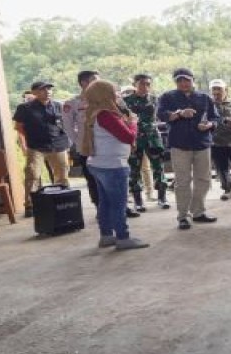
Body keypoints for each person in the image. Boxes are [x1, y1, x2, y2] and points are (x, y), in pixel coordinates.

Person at [80, 79, 148, 250]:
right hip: (112, 165)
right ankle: (123, 237)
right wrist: (133, 123)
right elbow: (128, 137)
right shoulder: (105, 114)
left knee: (106, 203)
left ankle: (106, 236)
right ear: (105, 94)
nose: (117, 95)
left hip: (99, 163)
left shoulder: (94, 111)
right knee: (118, 204)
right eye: (114, 92)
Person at [157, 68, 218, 230]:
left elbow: (215, 117)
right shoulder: (167, 97)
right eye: (179, 80)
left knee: (204, 180)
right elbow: (161, 115)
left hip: (202, 143)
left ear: (193, 80)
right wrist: (179, 113)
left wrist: (210, 124)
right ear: (175, 82)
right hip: (179, 144)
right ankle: (183, 216)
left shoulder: (205, 97)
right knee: (182, 181)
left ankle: (198, 212)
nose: (183, 83)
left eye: (187, 80)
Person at [12, 80, 70, 217]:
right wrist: (28, 140)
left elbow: (64, 123)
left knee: (62, 173)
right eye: (43, 89)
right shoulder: (24, 108)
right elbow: (18, 127)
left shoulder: (58, 106)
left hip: (58, 144)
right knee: (33, 174)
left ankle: (63, 199)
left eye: (49, 89)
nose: (48, 92)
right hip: (36, 146)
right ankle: (30, 205)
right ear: (34, 92)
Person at [122, 73, 169, 213]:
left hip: (152, 137)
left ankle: (162, 198)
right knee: (134, 170)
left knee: (158, 168)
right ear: (135, 85)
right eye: (142, 83)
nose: (145, 87)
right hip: (134, 138)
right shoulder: (125, 101)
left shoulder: (155, 100)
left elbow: (161, 116)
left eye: (148, 84)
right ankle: (138, 201)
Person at [63, 70, 101, 212]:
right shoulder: (72, 103)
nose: (99, 83)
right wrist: (79, 142)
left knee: (112, 174)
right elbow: (68, 126)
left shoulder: (104, 99)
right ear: (84, 83)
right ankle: (99, 206)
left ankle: (120, 205)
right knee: (92, 178)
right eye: (95, 80)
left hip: (106, 145)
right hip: (86, 147)